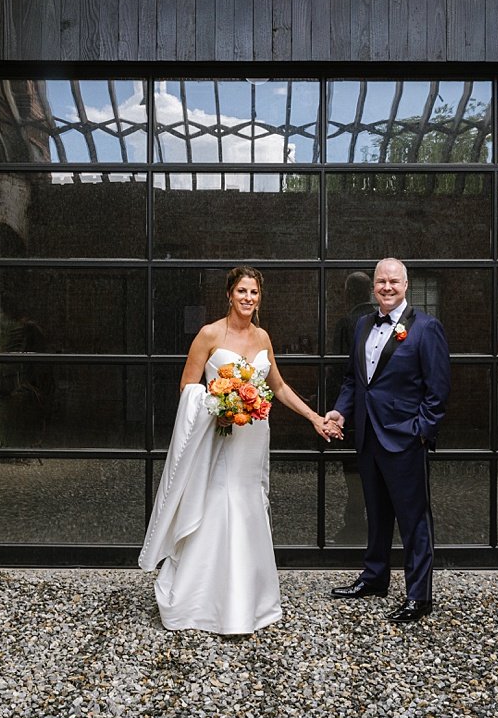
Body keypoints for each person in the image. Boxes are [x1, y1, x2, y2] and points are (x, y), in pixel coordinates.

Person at [139, 266, 337, 634]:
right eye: (243, 291)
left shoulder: (263, 337)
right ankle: (203, 602)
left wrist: (313, 416)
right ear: (230, 294)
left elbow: (277, 386)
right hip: (221, 435)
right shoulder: (209, 334)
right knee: (218, 503)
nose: (249, 298)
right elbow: (187, 387)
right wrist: (222, 404)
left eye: (255, 293)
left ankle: (250, 601)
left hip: (254, 438)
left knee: (248, 504)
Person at [324, 257, 451, 626]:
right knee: (376, 515)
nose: (387, 287)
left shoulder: (426, 328)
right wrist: (341, 412)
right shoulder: (363, 324)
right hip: (367, 437)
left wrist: (421, 432)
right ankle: (375, 577)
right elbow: (354, 379)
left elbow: (438, 391)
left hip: (405, 441)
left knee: (414, 521)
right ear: (373, 287)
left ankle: (419, 596)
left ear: (406, 284)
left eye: (394, 281)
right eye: (381, 282)